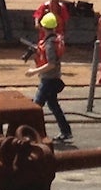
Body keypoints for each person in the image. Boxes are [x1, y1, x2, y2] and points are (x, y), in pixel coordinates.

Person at [26, 11, 73, 143]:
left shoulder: (49, 44)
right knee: (53, 105)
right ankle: (66, 131)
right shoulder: (53, 40)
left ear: (43, 27)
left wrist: (33, 71)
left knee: (36, 107)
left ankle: (32, 134)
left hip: (48, 79)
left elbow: (51, 64)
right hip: (52, 78)